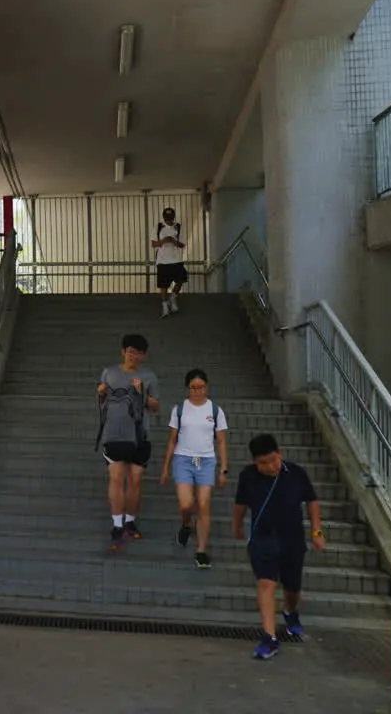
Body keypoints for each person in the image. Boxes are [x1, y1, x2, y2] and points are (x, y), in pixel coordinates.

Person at [232, 433, 326, 660]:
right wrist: (236, 526)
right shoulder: (248, 476)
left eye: (273, 460)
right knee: (266, 582)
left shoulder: (295, 473)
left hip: (292, 537)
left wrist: (317, 531)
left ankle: (291, 612)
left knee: (292, 586)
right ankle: (269, 637)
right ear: (255, 462)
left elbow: (312, 501)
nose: (269, 467)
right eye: (263, 463)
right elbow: (240, 504)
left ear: (280, 454)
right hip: (263, 538)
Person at [96, 333, 160, 549]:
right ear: (123, 351)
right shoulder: (109, 373)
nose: (134, 356)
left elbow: (155, 406)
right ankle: (116, 525)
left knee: (135, 479)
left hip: (140, 435)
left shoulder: (149, 376)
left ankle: (130, 521)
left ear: (144, 355)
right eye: (130, 351)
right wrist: (100, 393)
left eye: (138, 353)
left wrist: (142, 394)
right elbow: (102, 399)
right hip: (113, 433)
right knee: (116, 479)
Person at [160, 369, 229, 569]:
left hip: (206, 461)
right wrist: (165, 467)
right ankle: (186, 524)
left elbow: (222, 441)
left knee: (204, 504)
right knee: (186, 504)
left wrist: (223, 469)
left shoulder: (215, 410)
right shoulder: (180, 409)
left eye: (201, 387)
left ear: (206, 387)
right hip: (183, 459)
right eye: (193, 388)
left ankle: (201, 550)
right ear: (187, 388)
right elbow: (172, 441)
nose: (197, 391)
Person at [151, 206, 188, 318]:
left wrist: (173, 241)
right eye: (167, 219)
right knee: (163, 285)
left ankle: (173, 297)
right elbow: (153, 244)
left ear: (173, 218)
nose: (169, 221)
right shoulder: (158, 227)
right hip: (162, 261)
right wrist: (163, 241)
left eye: (170, 218)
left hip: (176, 260)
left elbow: (182, 244)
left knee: (181, 280)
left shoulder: (179, 227)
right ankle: (165, 306)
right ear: (164, 218)